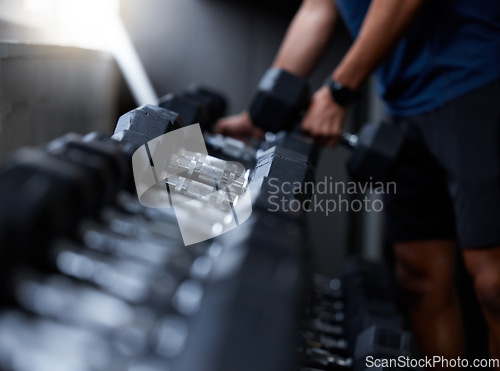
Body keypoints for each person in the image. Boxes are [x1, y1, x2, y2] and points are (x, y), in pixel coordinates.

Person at [215, 0, 500, 365]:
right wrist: (260, 113)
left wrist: (338, 91)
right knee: (420, 280)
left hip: (476, 82)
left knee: (494, 284)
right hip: (404, 106)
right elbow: (318, 9)